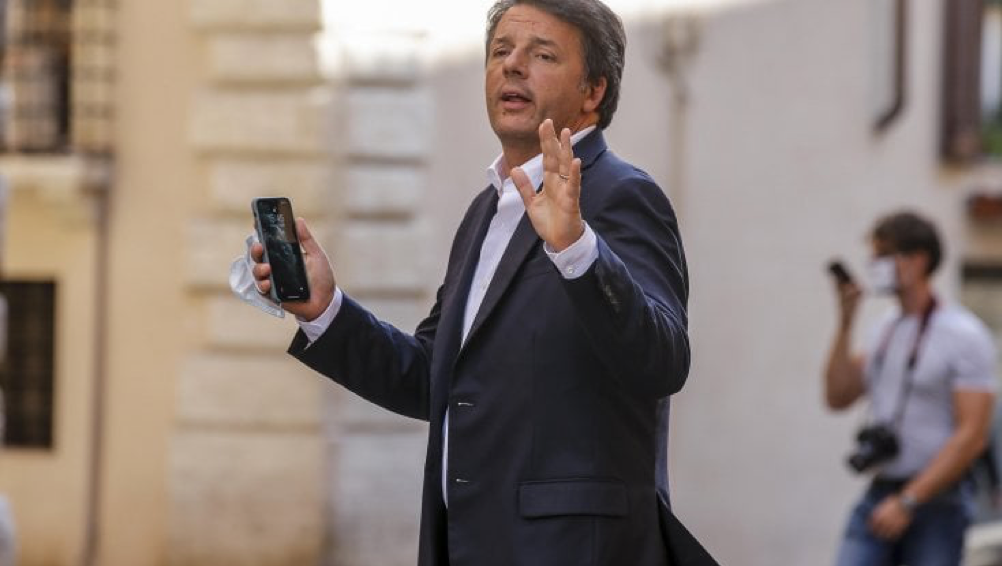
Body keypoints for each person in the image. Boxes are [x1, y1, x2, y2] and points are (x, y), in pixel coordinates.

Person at [251, 1, 716, 564]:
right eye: (500, 51)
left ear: (593, 91)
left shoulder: (621, 194)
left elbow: (663, 361)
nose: (511, 66)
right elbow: (433, 380)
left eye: (542, 55)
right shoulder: (487, 211)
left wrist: (576, 249)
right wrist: (325, 309)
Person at [824, 211, 998, 566]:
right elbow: (838, 396)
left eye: (883, 255)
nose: (874, 265)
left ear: (917, 260)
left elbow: (973, 435)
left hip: (938, 500)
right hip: (882, 490)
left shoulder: (964, 334)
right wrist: (846, 320)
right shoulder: (885, 329)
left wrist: (909, 500)